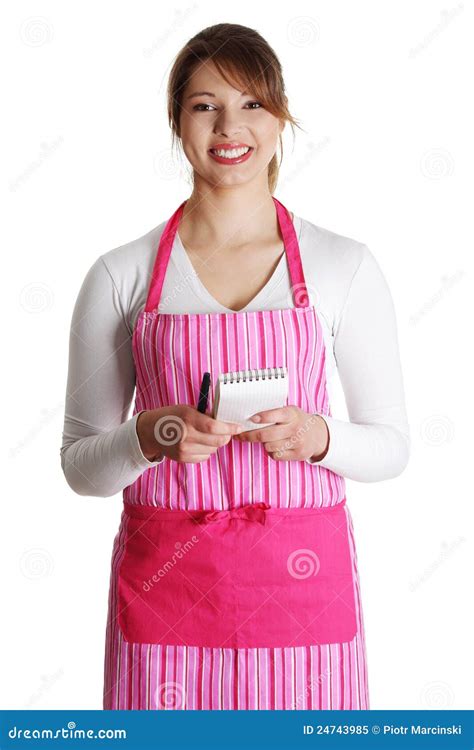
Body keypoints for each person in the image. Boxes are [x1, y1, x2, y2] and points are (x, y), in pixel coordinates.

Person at [60, 23, 410, 710]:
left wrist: (320, 437)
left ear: (281, 117)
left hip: (301, 603)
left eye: (252, 102)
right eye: (204, 104)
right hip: (169, 606)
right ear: (177, 122)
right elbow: (79, 469)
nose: (230, 125)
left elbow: (392, 447)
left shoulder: (344, 266)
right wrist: (147, 435)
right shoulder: (122, 274)